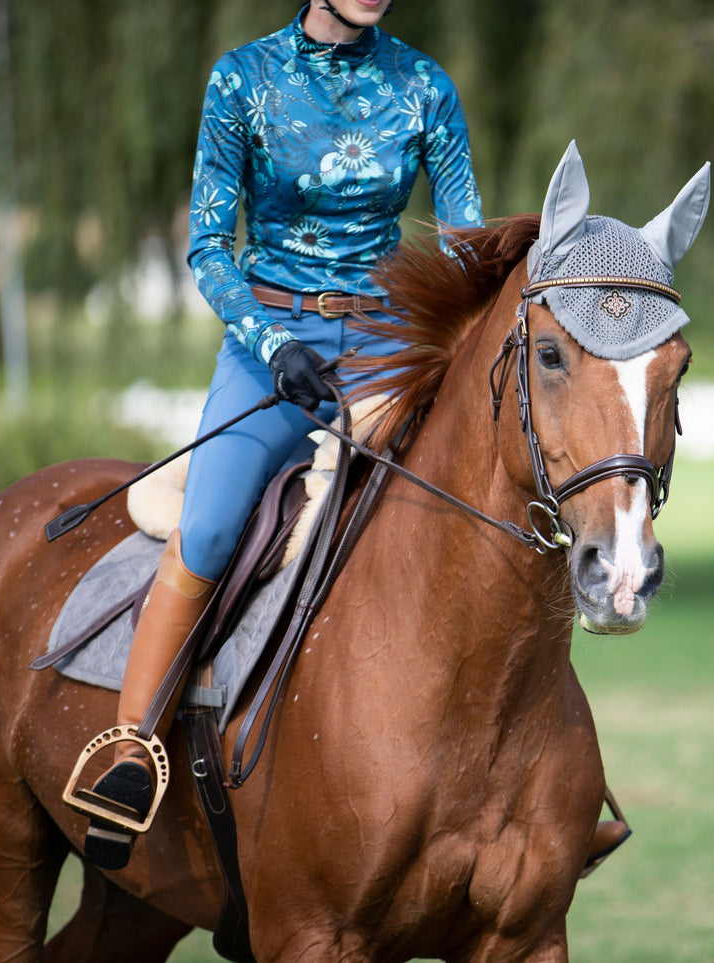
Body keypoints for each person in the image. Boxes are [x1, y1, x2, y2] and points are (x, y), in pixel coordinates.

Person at [71, 0, 483, 871]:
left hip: (386, 352)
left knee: (460, 522)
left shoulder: (424, 87)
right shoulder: (242, 79)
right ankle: (126, 751)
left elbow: (461, 247)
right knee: (213, 525)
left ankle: (505, 783)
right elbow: (209, 248)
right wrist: (271, 342)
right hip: (272, 348)